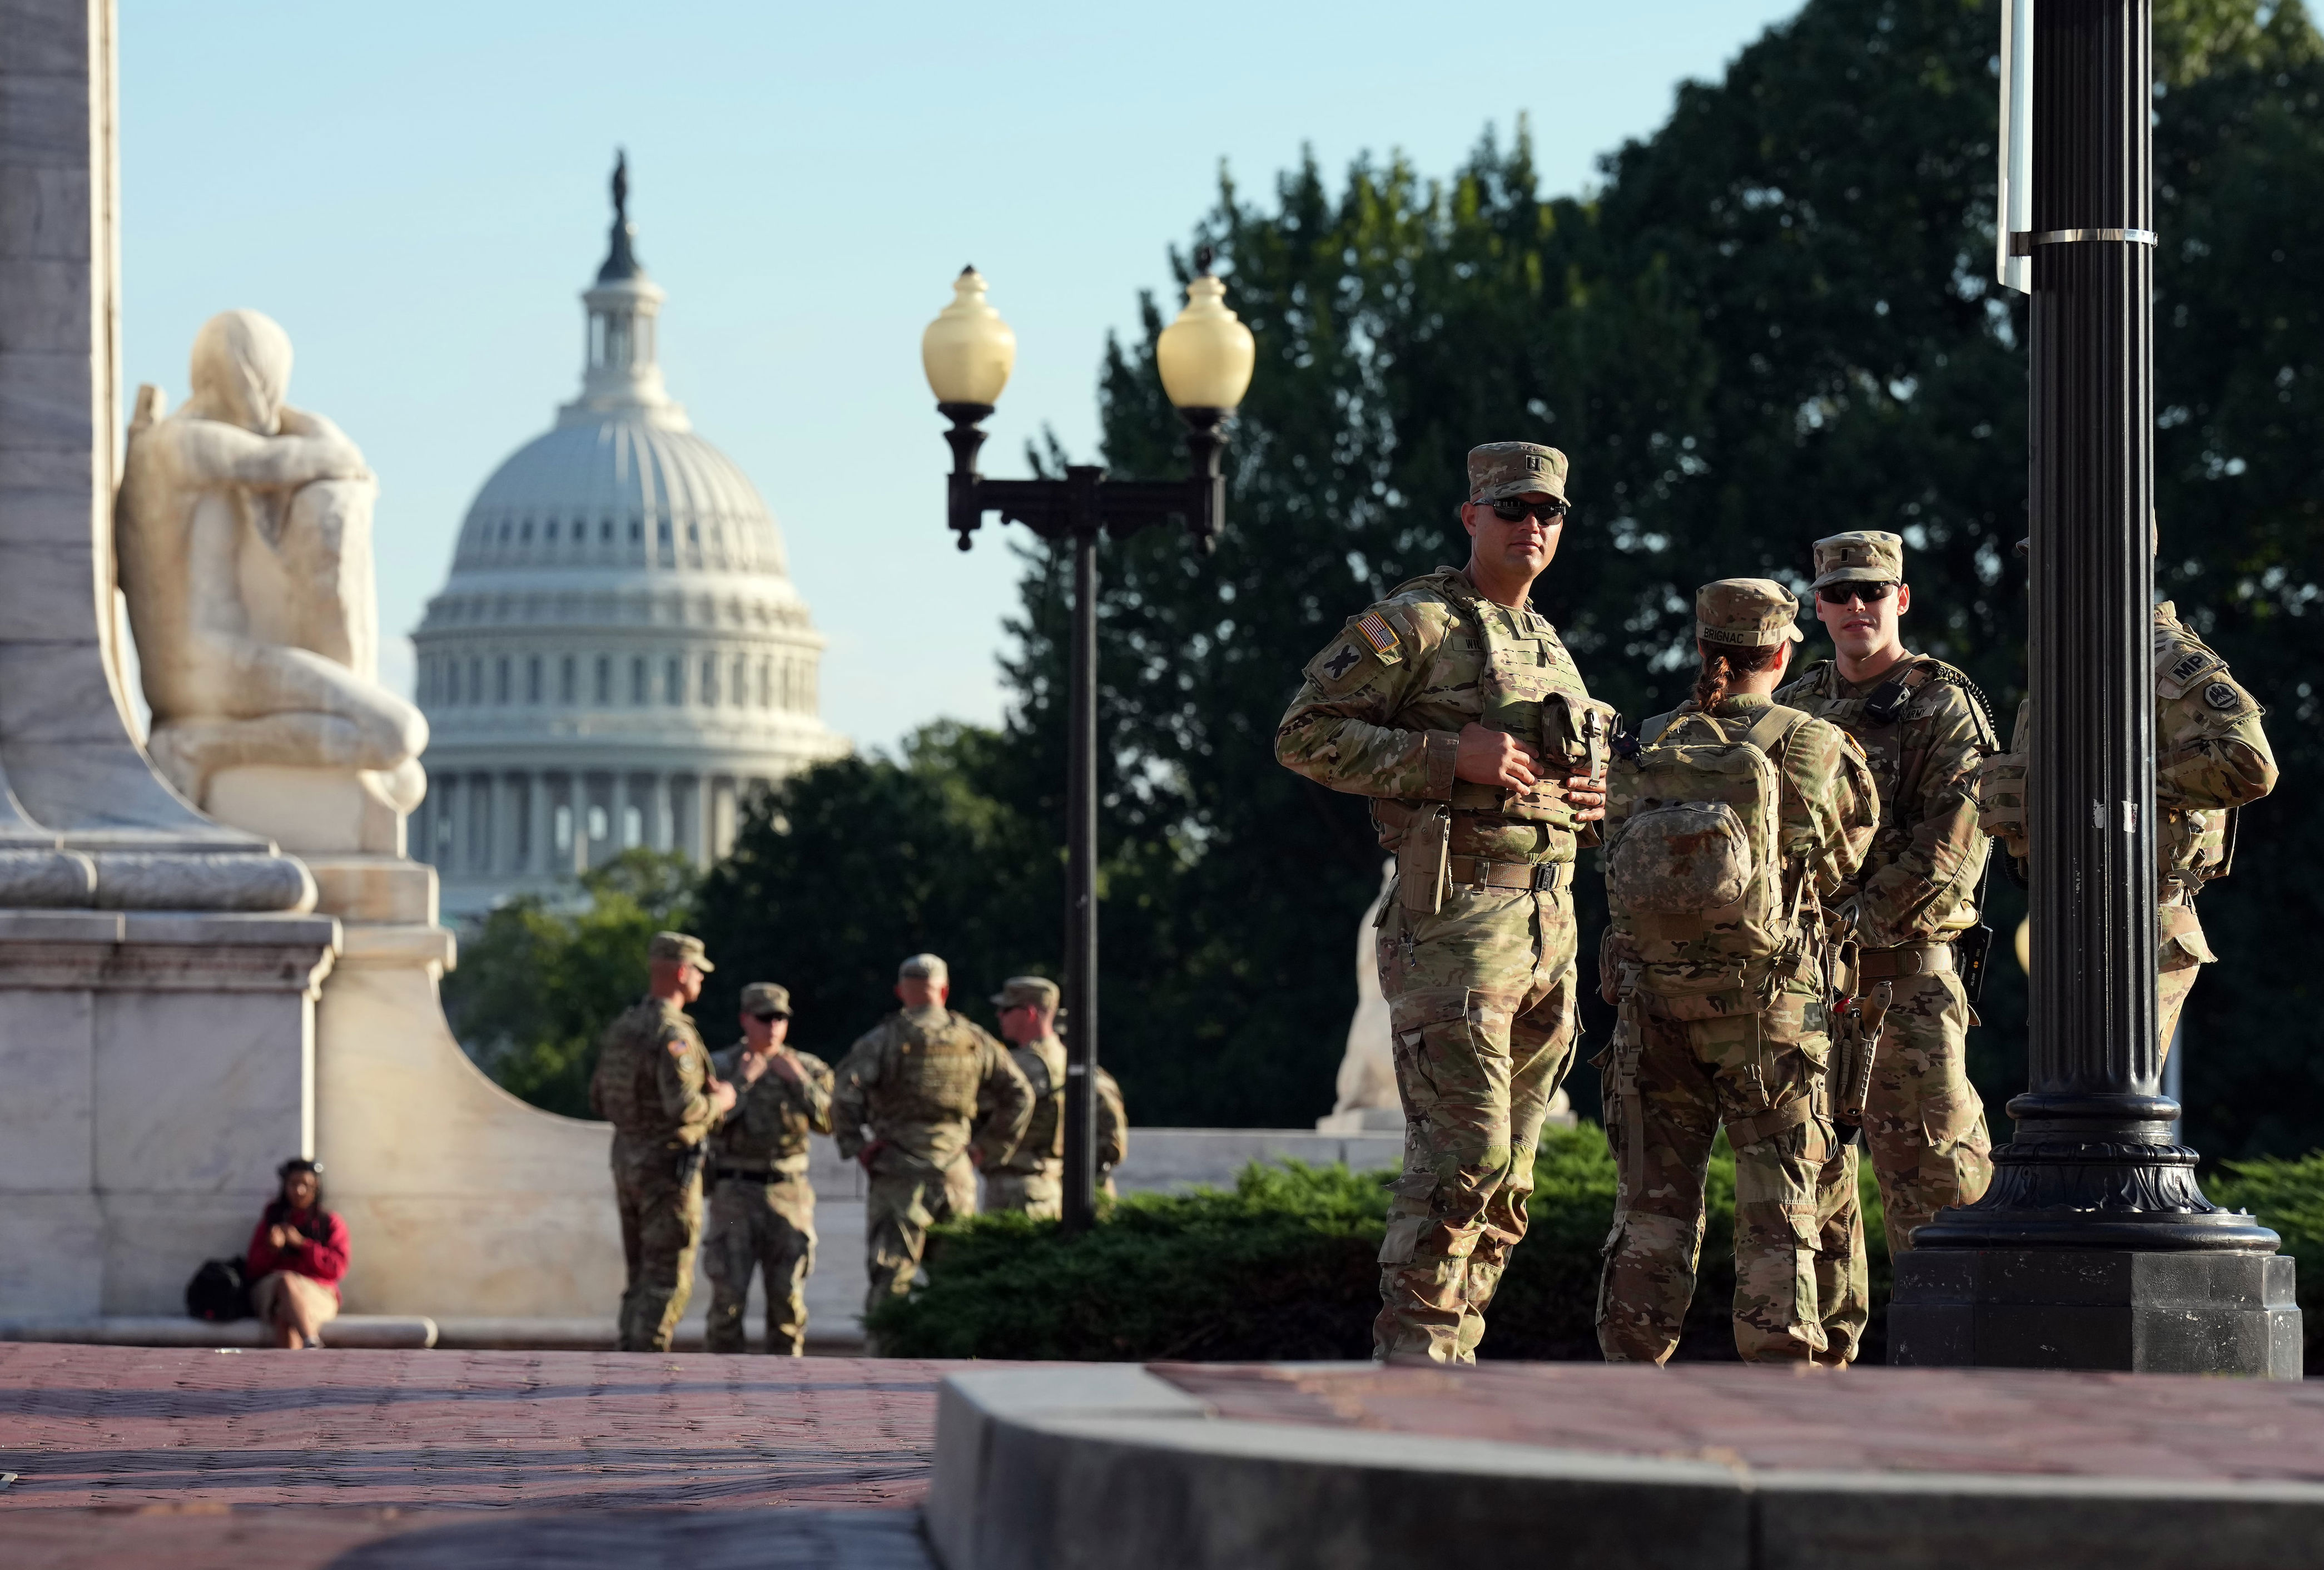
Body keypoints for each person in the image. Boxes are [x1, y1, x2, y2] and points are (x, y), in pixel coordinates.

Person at [1275, 441, 1612, 1364]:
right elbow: (1303, 734)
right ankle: (1413, 1359)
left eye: (1548, 512)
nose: (1532, 526)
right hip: (1456, 920)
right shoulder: (1417, 622)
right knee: (1462, 1158)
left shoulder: (1548, 641)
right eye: (1512, 509)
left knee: (1512, 1173)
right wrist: (1439, 758)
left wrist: (1589, 801)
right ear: (1471, 517)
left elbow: (1553, 779)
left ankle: (1453, 1352)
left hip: (1548, 927)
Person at [1595, 579, 1878, 1365]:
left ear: (1703, 650)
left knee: (1652, 1208)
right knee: (1779, 1203)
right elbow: (1848, 860)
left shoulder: (1648, 741)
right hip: (1770, 1013)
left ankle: (1628, 1374)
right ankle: (1783, 1379)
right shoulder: (1814, 743)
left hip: (1651, 1008)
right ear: (1784, 653)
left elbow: (1610, 854)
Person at [1775, 531, 1997, 1268]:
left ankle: (1957, 1373)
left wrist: (1847, 924)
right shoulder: (1797, 702)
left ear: (1901, 599)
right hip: (1805, 986)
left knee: (1938, 1194)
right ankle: (1830, 1377)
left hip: (1904, 980)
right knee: (1805, 1198)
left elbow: (1951, 849)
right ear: (1818, 606)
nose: (1856, 605)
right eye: (1839, 593)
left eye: (1872, 591)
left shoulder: (1943, 701)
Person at [1979, 580, 2277, 1057]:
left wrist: (2111, 783)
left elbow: (2250, 765)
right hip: (2071, 918)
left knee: (2104, 1103)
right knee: (2064, 1103)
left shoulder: (2160, 652)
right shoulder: (2068, 659)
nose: (2042, 576)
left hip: (2139, 924)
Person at [831, 954, 1034, 1323]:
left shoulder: (884, 1038)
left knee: (891, 1277)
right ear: (944, 989)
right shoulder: (973, 1038)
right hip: (956, 1170)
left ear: (900, 992)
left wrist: (857, 1147)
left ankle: (882, 1365)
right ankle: (954, 1361)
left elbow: (844, 1091)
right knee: (956, 1281)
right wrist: (987, 1148)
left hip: (898, 1171)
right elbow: (1020, 1093)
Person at [588, 930, 734, 1352]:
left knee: (640, 1275)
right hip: (667, 1171)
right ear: (682, 971)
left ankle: (628, 1354)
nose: (702, 981)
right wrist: (721, 1101)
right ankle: (643, 1367)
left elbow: (599, 1096)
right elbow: (684, 1108)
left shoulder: (625, 1026)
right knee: (667, 1277)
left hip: (628, 1161)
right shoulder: (673, 1033)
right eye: (699, 973)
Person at [703, 982, 832, 1355]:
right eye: (765, 1018)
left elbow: (832, 1120)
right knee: (727, 1303)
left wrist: (800, 1083)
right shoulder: (723, 1065)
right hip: (734, 1194)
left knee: (788, 1304)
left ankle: (786, 1392)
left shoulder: (806, 1067)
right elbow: (707, 1120)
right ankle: (720, 1389)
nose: (773, 1026)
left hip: (789, 1194)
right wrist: (743, 1082)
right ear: (746, 1019)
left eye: (781, 1018)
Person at [984, 975, 1129, 1217]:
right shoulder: (1088, 1071)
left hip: (1022, 1190)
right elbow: (1113, 1145)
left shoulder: (1022, 1067)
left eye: (1006, 1009)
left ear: (1030, 1013)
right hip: (1062, 1191)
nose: (999, 1016)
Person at [245, 1157, 349, 1350]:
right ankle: (312, 1343)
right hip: (273, 1289)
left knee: (285, 1315)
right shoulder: (272, 1218)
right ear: (285, 1186)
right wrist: (272, 1249)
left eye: (306, 1185)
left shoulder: (330, 1221)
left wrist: (303, 1244)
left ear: (316, 1187)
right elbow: (253, 1268)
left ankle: (290, 1374)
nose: (299, 1191)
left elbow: (337, 1268)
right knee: (286, 1281)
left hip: (318, 1291)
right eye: (294, 1184)